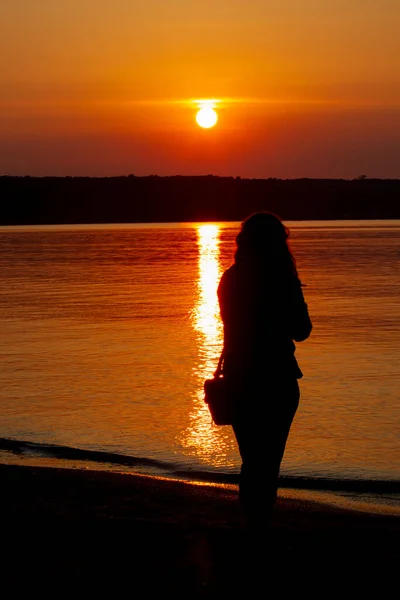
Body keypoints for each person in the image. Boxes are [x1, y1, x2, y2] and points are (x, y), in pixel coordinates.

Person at [217, 212, 312, 528]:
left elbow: (231, 326)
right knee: (268, 460)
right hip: (277, 377)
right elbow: (301, 329)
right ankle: (260, 524)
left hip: (238, 377)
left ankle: (252, 522)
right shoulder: (281, 278)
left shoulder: (230, 279)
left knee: (253, 459)